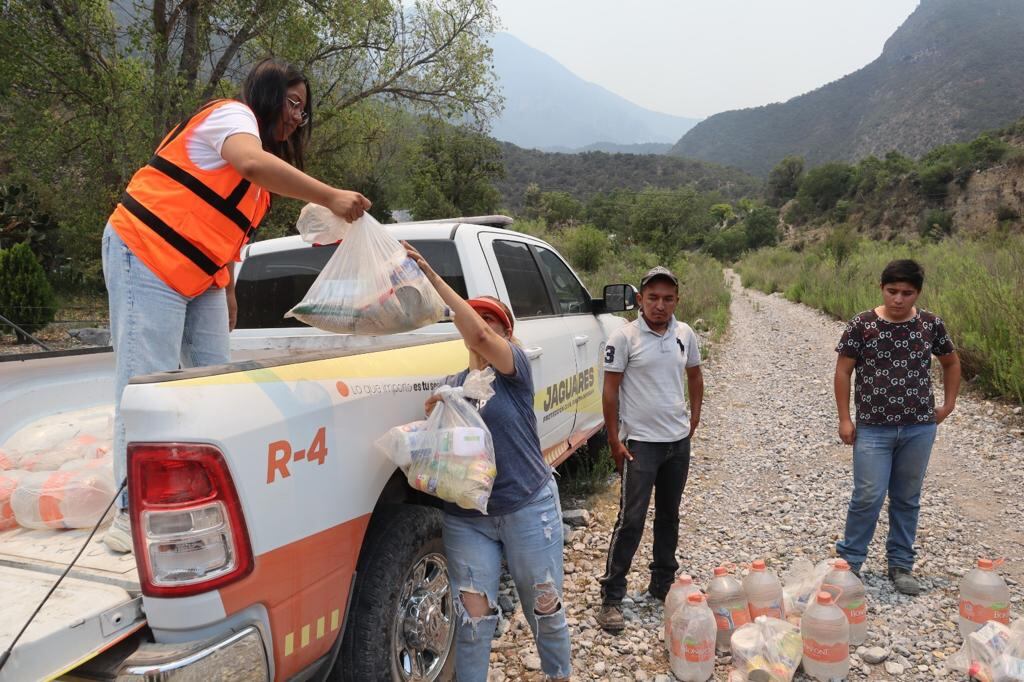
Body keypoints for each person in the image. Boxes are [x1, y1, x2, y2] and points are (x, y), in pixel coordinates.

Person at [102, 58, 371, 552]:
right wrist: (332, 196)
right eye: (293, 104)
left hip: (202, 276)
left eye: (303, 111)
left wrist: (226, 288)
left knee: (215, 383)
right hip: (145, 250)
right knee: (146, 385)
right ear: (267, 95)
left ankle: (201, 497)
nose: (297, 118)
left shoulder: (260, 187)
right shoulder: (232, 118)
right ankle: (128, 511)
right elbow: (249, 162)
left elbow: (228, 232)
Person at [405, 242, 571, 682]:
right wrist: (435, 413)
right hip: (468, 519)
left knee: (545, 609)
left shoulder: (515, 371)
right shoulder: (454, 385)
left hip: (527, 507)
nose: (479, 326)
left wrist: (429, 274)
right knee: (473, 622)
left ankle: (558, 674)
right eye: (474, 318)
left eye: (490, 320)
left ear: (506, 334)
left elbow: (480, 336)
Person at [834, 259, 960, 595]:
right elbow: (843, 371)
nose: (898, 299)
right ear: (881, 288)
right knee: (868, 496)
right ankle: (849, 563)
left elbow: (950, 361)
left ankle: (901, 564)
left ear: (918, 292)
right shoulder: (862, 324)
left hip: (919, 427)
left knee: (907, 497)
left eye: (907, 293)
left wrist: (948, 405)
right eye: (892, 291)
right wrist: (845, 418)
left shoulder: (930, 324)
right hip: (873, 428)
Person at [597, 266, 704, 633]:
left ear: (677, 301)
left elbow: (695, 375)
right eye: (653, 298)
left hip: (677, 443)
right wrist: (614, 439)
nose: (660, 305)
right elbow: (610, 391)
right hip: (640, 444)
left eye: (668, 299)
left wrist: (694, 418)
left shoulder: (684, 334)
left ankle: (662, 583)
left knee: (669, 516)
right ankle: (612, 595)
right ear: (640, 300)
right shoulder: (624, 337)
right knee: (631, 519)